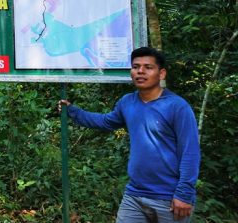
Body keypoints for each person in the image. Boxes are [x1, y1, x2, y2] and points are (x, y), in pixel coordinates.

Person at [59, 47, 200, 222]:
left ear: (161, 73)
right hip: (134, 195)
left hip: (169, 198)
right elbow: (105, 121)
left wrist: (184, 194)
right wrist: (72, 111)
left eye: (148, 67)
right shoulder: (128, 102)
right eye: (135, 66)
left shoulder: (177, 107)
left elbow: (190, 152)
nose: (140, 71)